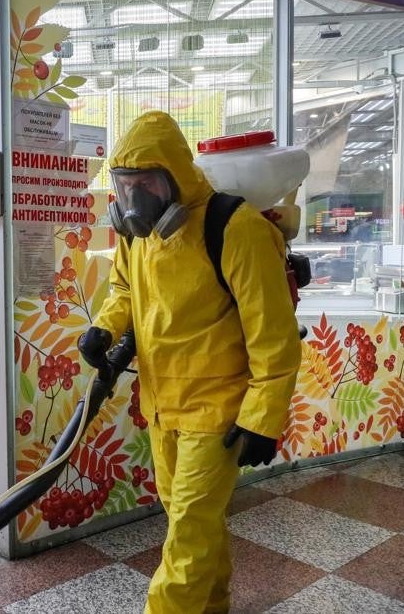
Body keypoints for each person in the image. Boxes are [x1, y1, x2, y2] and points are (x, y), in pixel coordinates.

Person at [77, 112, 301, 614]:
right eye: (125, 185)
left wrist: (263, 418)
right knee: (191, 521)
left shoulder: (235, 229)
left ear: (177, 175)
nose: (135, 199)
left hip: (218, 410)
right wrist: (105, 328)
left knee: (186, 537)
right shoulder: (138, 235)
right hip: (162, 407)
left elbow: (274, 336)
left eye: (147, 183)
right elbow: (125, 290)